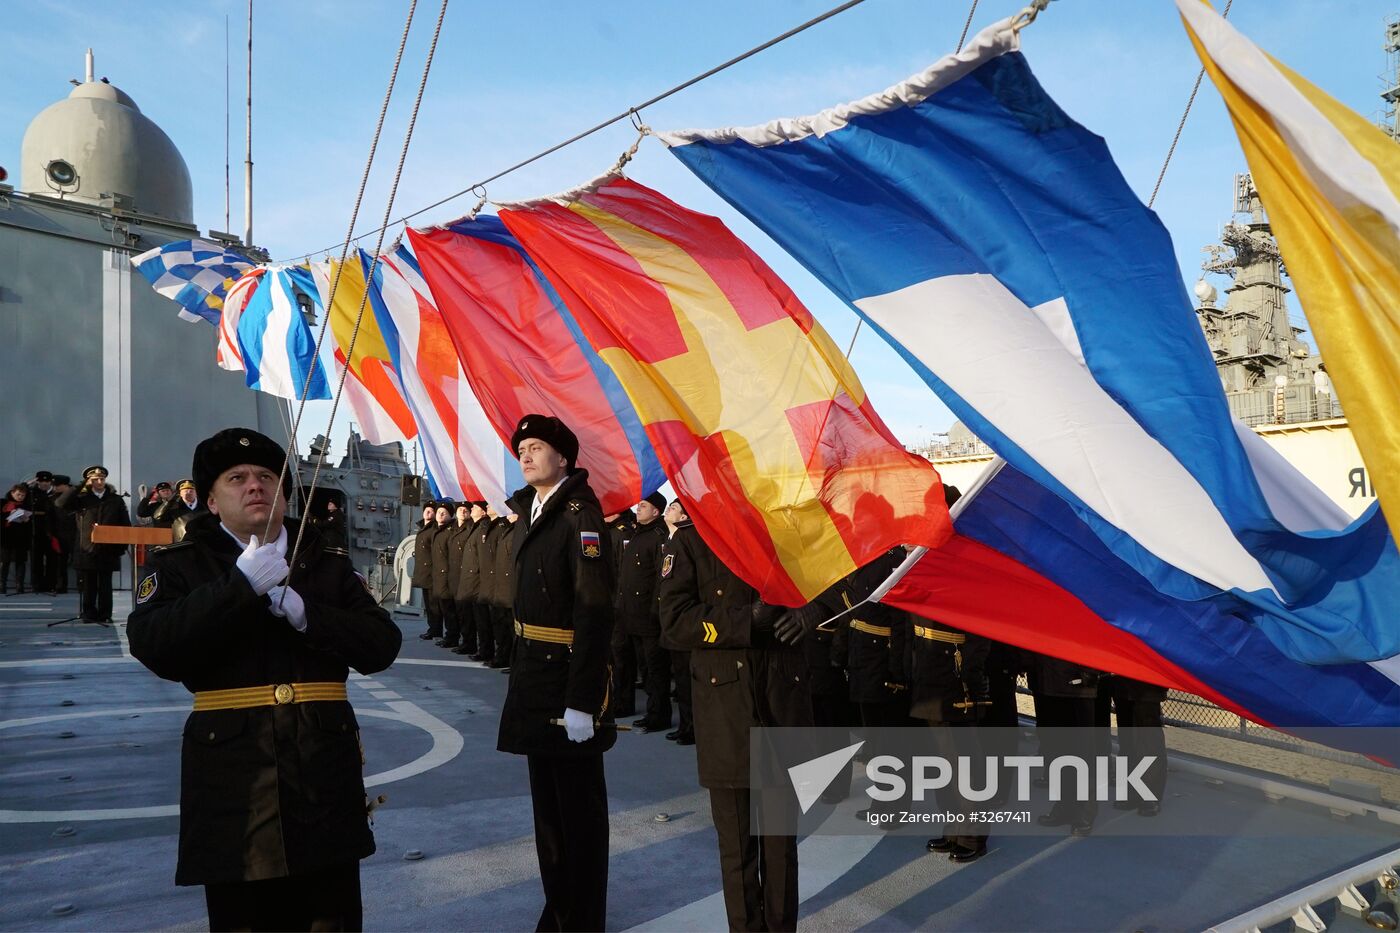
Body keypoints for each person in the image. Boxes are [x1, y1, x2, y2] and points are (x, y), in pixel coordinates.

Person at [127, 427, 402, 931]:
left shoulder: (327, 563)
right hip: (234, 782)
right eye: (236, 478)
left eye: (266, 476)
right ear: (211, 500)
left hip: (322, 776)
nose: (254, 485)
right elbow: (155, 644)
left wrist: (304, 612)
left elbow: (381, 645)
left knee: (331, 918)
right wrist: (240, 586)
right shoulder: (181, 566)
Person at [659, 503, 812, 933]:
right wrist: (745, 620)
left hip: (783, 702)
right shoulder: (690, 542)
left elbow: (838, 583)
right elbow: (672, 622)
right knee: (737, 845)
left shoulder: (788, 532)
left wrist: (810, 615)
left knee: (781, 846)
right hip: (725, 711)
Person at [498, 414, 615, 932]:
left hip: (566, 681)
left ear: (563, 458)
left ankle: (581, 918)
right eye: (521, 447)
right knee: (548, 815)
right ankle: (560, 909)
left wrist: (583, 700)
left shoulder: (579, 517)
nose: (525, 454)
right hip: (533, 679)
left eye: (537, 446)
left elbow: (593, 612)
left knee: (578, 818)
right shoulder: (535, 512)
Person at [615, 492, 671, 732]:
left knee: (655, 670)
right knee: (643, 666)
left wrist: (655, 610)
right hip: (631, 615)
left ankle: (659, 715)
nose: (638, 509)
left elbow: (661, 577)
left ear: (656, 511)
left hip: (649, 616)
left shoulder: (658, 537)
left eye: (644, 506)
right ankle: (650, 711)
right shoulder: (639, 533)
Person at [54, 465, 130, 623]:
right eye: (95, 479)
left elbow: (125, 524)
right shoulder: (82, 499)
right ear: (90, 481)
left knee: (105, 585)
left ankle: (105, 615)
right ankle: (89, 613)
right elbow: (61, 503)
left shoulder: (115, 499)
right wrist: (81, 485)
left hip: (108, 548)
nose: (100, 481)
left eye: (102, 479)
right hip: (87, 548)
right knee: (88, 584)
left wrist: (121, 547)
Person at [659, 500, 694, 745]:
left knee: (688, 682)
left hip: (686, 623)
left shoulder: (687, 541)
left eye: (673, 508)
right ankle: (685, 725)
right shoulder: (669, 541)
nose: (667, 511)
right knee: (681, 682)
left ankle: (691, 727)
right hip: (668, 619)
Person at [412, 503, 440, 641]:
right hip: (424, 572)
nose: (428, 512)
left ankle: (435, 630)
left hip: (431, 572)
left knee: (434, 605)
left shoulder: (434, 529)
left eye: (431, 511)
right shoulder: (423, 528)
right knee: (429, 604)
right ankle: (433, 629)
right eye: (426, 510)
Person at [2, 483, 35, 594]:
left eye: (22, 495)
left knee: (20, 561)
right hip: (6, 537)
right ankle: (2, 585)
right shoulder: (4, 503)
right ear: (12, 493)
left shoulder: (26, 505)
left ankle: (19, 585)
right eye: (18, 494)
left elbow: (29, 521)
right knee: (4, 561)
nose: (20, 497)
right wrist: (8, 516)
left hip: (21, 537)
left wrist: (26, 519)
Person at [26, 471, 56, 593]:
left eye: (47, 481)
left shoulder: (54, 493)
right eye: (41, 481)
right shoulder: (32, 492)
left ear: (51, 482)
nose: (44, 484)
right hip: (36, 529)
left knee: (52, 559)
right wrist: (28, 484)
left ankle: (50, 584)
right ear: (37, 481)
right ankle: (36, 585)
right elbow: (13, 494)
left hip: (51, 530)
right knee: (36, 559)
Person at [48, 474, 75, 593]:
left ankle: (83, 585)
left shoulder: (76, 497)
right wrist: (51, 533)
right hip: (60, 534)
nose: (55, 488)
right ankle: (61, 585)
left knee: (79, 561)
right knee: (60, 563)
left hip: (76, 533)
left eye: (58, 485)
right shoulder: (52, 499)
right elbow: (49, 517)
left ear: (65, 485)